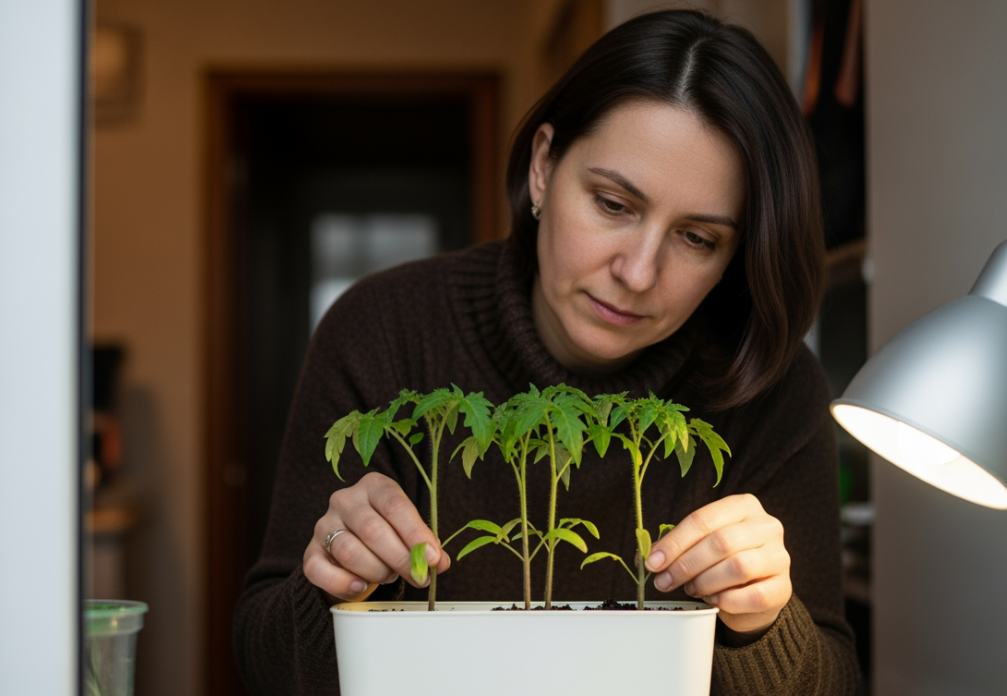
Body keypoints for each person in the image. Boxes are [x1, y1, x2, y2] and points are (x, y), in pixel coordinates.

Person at [234, 9, 861, 695]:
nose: (639, 271)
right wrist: (330, 581)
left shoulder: (772, 387)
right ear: (542, 167)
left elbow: (834, 683)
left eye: (697, 238)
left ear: (736, 254)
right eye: (614, 204)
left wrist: (765, 624)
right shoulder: (382, 331)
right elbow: (267, 664)